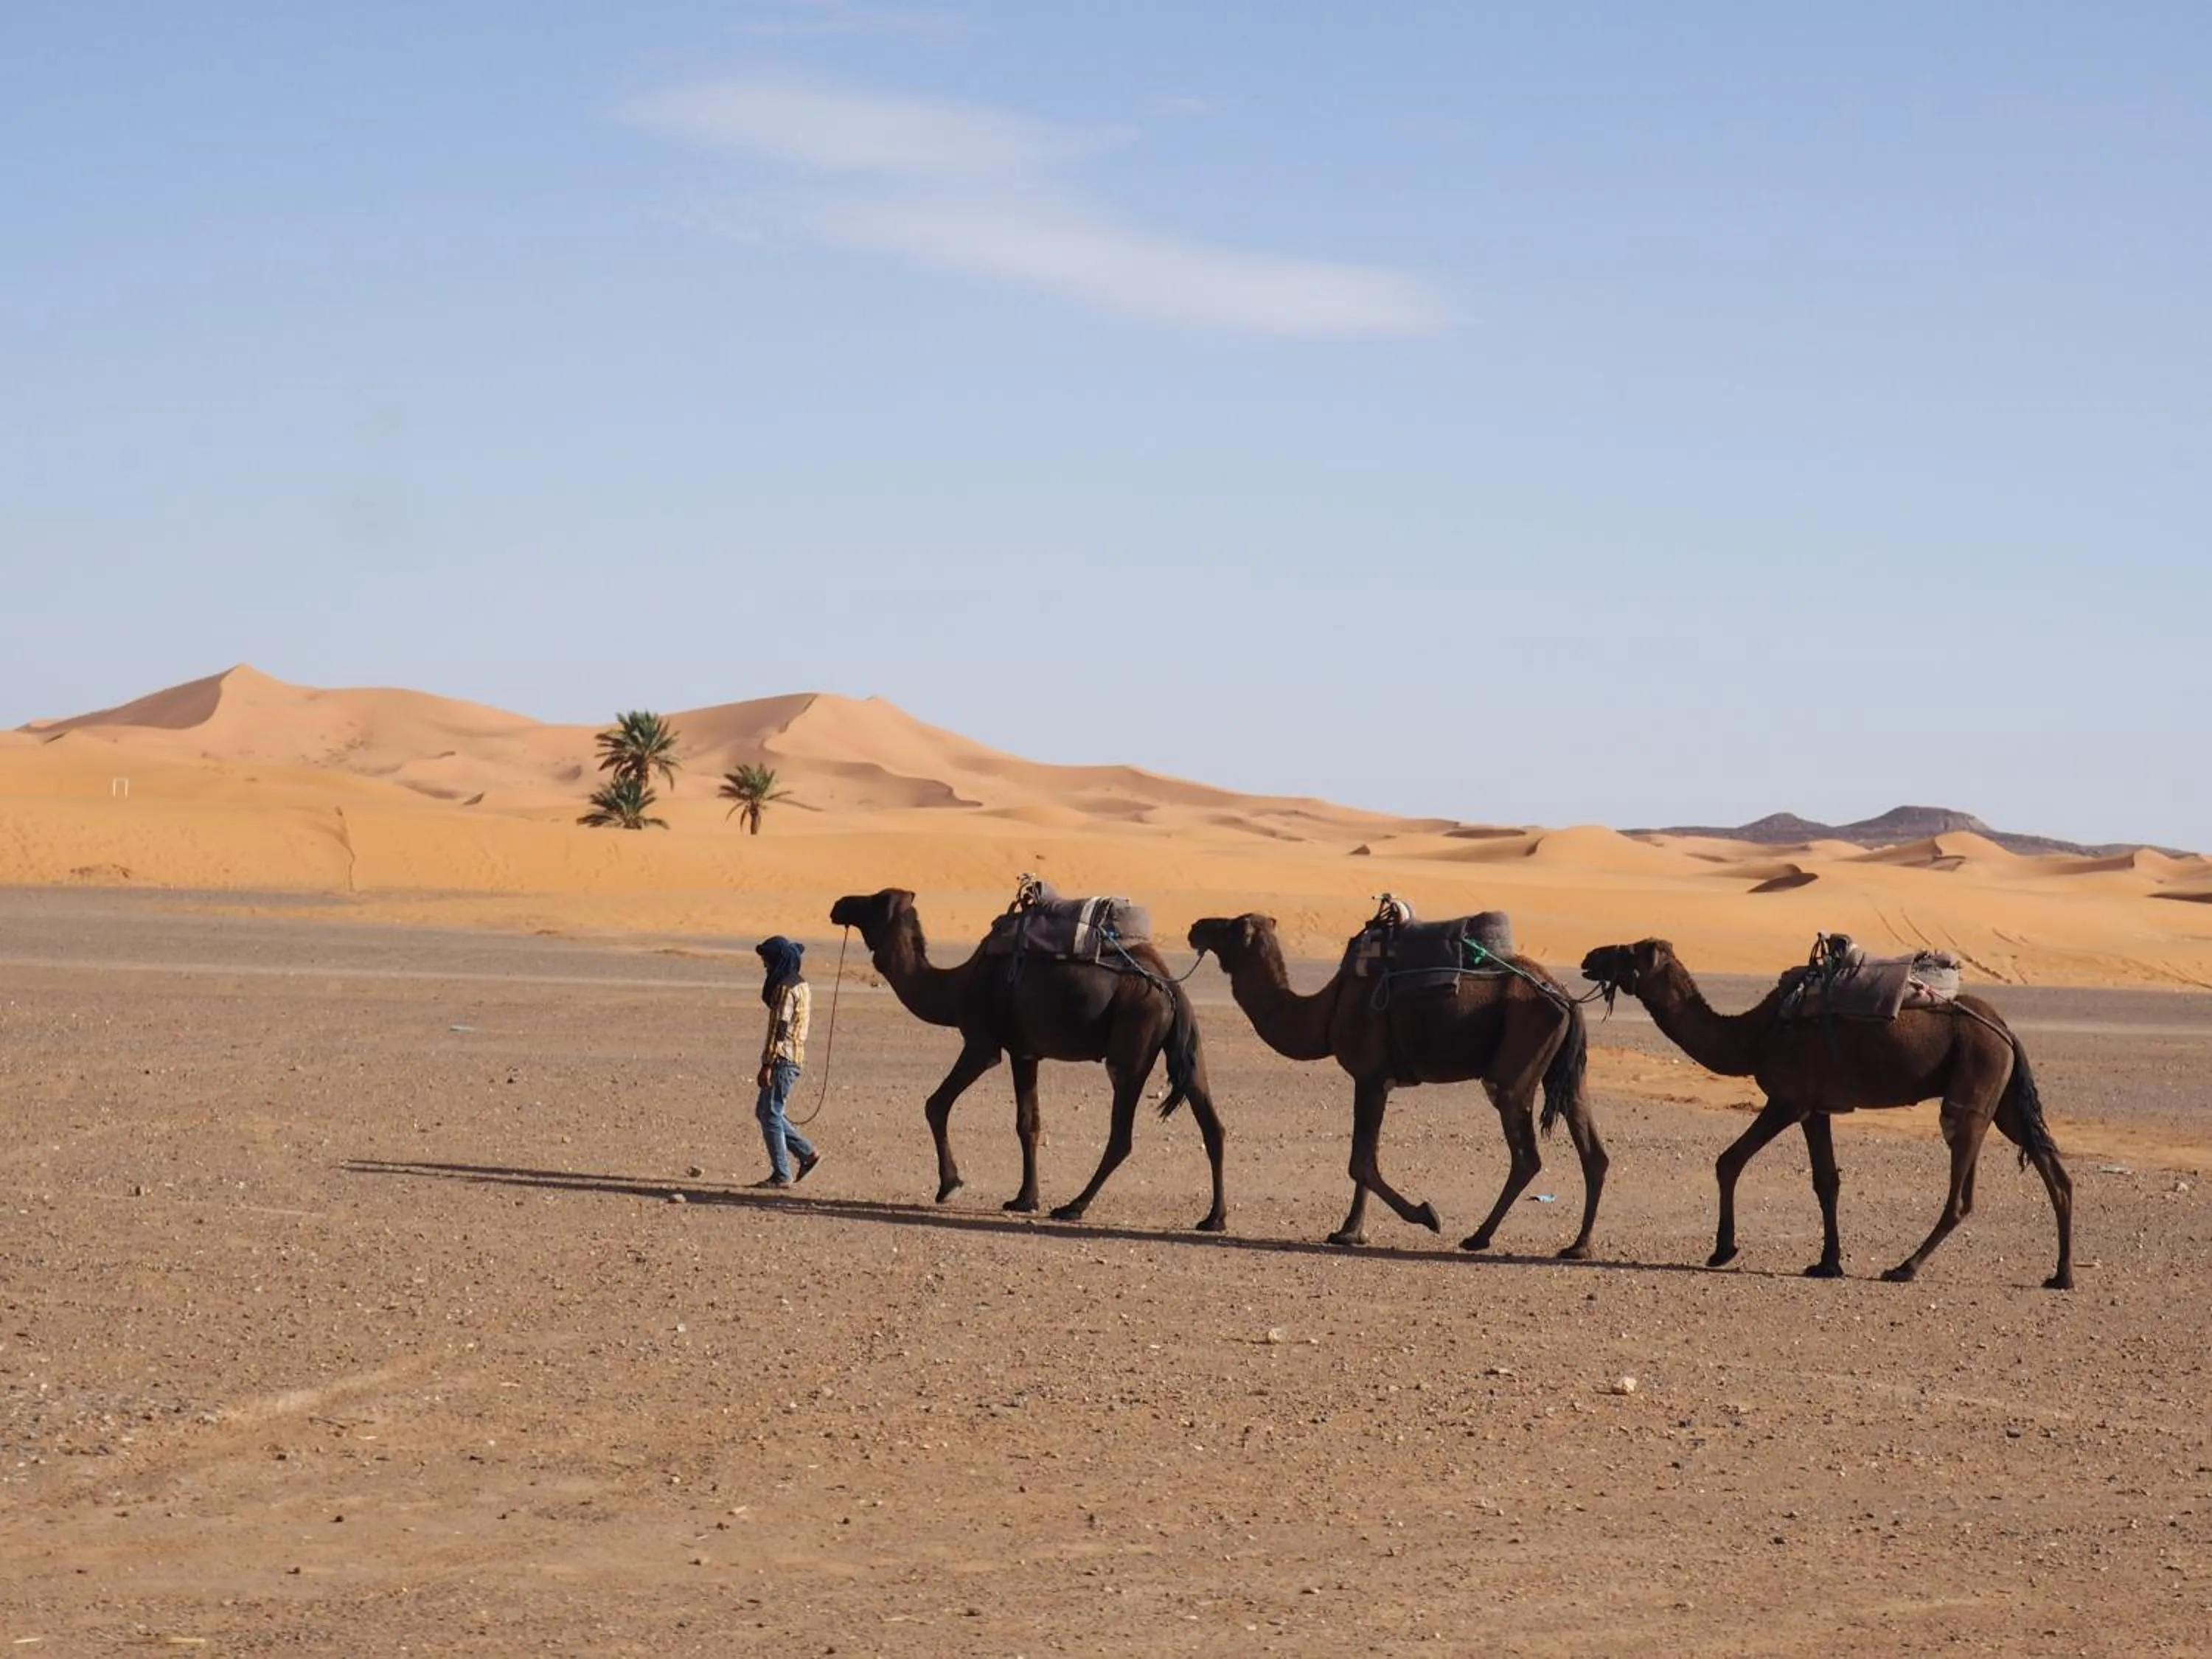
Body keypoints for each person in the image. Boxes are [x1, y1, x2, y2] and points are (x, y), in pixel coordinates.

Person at [751, 935, 818, 1188]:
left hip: (782, 1059)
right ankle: (807, 1154)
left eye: (767, 960)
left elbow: (779, 1028)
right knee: (767, 1112)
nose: (765, 965)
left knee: (770, 1114)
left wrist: (767, 1064)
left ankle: (782, 1174)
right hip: (794, 1056)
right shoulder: (801, 984)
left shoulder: (785, 988)